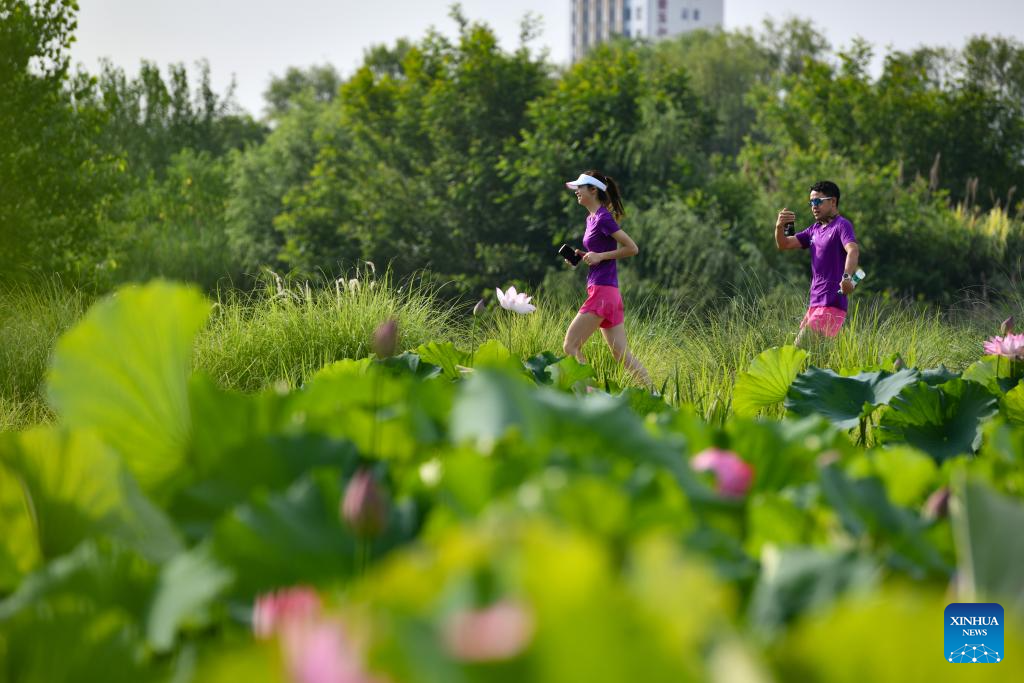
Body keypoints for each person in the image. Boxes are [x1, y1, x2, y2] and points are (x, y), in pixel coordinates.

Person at [562, 170, 652, 386]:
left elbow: (632, 248)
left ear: (593, 190)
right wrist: (584, 256)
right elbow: (600, 251)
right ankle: (655, 394)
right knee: (622, 355)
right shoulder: (591, 219)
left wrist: (600, 255)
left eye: (580, 188)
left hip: (603, 293)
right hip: (607, 293)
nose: (576, 192)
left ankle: (589, 394)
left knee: (570, 347)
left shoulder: (603, 218)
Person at [775, 180, 861, 348]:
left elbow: (853, 250)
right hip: (815, 304)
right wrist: (780, 226)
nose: (813, 206)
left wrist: (847, 277)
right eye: (811, 202)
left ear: (833, 201)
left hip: (831, 304)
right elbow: (784, 244)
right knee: (811, 359)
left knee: (797, 351)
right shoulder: (813, 230)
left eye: (818, 201)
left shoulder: (842, 225)